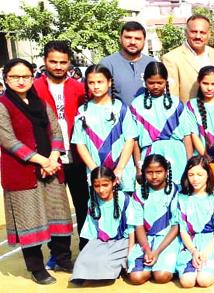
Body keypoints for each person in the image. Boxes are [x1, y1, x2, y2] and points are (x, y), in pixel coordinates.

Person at [0, 59, 73, 284]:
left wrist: (53, 157)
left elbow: (56, 130)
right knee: (28, 220)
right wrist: (42, 160)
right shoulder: (3, 104)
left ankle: (62, 257)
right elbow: (7, 139)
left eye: (26, 76)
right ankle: (37, 268)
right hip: (22, 171)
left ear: (33, 77)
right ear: (6, 78)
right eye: (15, 77)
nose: (21, 81)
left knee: (57, 212)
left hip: (50, 167)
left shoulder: (39, 102)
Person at [32, 40, 89, 250]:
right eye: (53, 61)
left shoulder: (81, 89)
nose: (58, 66)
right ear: (45, 61)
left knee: (83, 204)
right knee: (54, 208)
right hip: (49, 158)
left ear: (69, 63)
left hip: (78, 156)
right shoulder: (34, 88)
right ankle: (59, 253)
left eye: (63, 62)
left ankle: (86, 247)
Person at [72, 65, 138, 195]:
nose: (96, 86)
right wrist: (95, 170)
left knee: (126, 210)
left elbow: (130, 139)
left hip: (122, 171)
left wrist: (119, 169)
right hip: (97, 174)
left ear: (109, 82)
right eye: (91, 83)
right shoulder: (82, 112)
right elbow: (80, 144)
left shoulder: (121, 108)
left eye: (100, 82)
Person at [130, 61, 195, 186]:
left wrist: (190, 163)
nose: (155, 86)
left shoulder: (177, 104)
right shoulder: (136, 105)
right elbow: (135, 140)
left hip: (177, 155)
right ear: (145, 82)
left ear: (166, 81)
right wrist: (139, 167)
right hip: (151, 154)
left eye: (160, 83)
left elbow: (186, 135)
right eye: (151, 83)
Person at [69, 167, 132, 286]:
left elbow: (132, 228)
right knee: (83, 259)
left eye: (105, 185)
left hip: (122, 240)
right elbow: (91, 229)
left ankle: (111, 272)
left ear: (114, 182)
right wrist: (91, 249)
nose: (101, 190)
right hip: (100, 240)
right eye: (97, 186)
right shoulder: (92, 201)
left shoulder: (124, 198)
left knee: (104, 260)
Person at [175, 156, 214, 288]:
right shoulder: (182, 197)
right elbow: (183, 230)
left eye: (200, 174)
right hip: (190, 243)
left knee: (204, 280)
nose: (195, 179)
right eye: (191, 175)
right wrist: (194, 251)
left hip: (212, 243)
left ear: (208, 174)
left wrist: (205, 253)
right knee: (187, 282)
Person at [128, 154, 181, 285]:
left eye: (159, 172)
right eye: (149, 172)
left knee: (161, 277)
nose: (154, 176)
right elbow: (138, 225)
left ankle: (162, 266)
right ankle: (149, 266)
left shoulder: (175, 191)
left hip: (167, 240)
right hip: (146, 241)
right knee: (136, 278)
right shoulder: (139, 193)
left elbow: (176, 226)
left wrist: (157, 251)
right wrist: (147, 249)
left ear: (166, 171)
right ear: (143, 172)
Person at [162, 14, 214, 103]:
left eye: (202, 32)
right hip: (187, 114)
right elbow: (172, 96)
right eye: (194, 32)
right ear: (186, 32)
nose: (198, 36)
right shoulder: (171, 59)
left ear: (209, 34)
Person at [98, 21, 156, 104]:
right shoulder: (107, 65)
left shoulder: (153, 64)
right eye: (128, 37)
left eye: (137, 39)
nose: (132, 42)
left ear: (144, 41)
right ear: (120, 38)